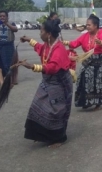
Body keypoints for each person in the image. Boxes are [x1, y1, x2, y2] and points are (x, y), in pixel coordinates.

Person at [18, 19, 73, 148]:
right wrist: (29, 40)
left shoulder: (58, 48)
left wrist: (32, 66)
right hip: (48, 81)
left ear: (48, 34)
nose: (40, 33)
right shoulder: (48, 45)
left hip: (59, 83)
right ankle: (42, 134)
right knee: (37, 106)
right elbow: (40, 48)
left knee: (56, 111)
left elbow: (52, 67)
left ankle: (59, 138)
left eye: (41, 31)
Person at [63, 14, 102, 110]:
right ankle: (86, 101)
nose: (87, 26)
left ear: (95, 26)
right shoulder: (85, 36)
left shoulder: (101, 35)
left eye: (89, 25)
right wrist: (63, 42)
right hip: (88, 62)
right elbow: (74, 43)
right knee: (83, 80)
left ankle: (98, 102)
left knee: (98, 84)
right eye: (87, 25)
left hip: (99, 63)